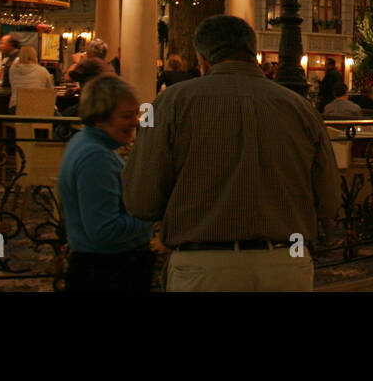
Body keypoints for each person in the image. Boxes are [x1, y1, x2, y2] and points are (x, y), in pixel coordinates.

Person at [122, 15, 341, 291]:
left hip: (204, 264)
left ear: (203, 60)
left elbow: (142, 201)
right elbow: (329, 200)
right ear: (253, 53)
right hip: (287, 263)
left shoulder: (169, 104)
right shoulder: (300, 108)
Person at [56, 75, 154, 291]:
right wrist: (151, 220)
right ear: (99, 118)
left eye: (136, 114)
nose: (135, 122)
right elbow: (104, 230)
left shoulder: (86, 143)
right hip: (107, 272)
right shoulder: (95, 157)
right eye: (127, 116)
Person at [7, 45, 54, 111]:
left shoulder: (12, 69)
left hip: (16, 106)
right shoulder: (42, 70)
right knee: (61, 120)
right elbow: (50, 91)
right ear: (35, 56)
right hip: (38, 107)